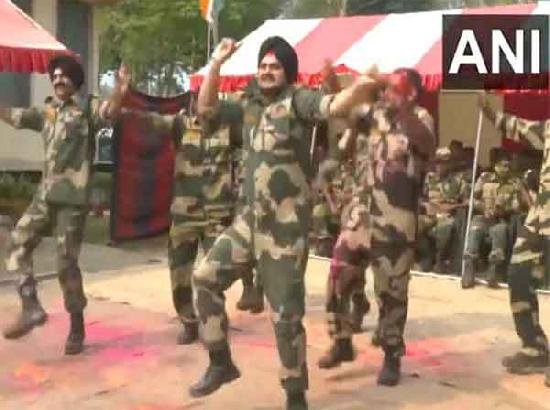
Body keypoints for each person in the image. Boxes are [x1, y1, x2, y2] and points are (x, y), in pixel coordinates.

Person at [189, 36, 378, 410]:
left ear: (287, 71)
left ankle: (295, 395)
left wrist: (359, 89)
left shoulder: (297, 99)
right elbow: (206, 107)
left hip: (284, 232)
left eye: (274, 66)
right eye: (263, 65)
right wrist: (215, 63)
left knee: (286, 318)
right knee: (204, 278)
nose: (266, 71)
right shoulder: (248, 104)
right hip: (248, 225)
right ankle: (221, 362)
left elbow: (333, 106)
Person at [0, 55, 125, 355]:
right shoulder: (48, 112)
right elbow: (15, 116)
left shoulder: (87, 108)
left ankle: (77, 325)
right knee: (16, 244)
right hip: (45, 196)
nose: (57, 80)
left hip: (73, 201)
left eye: (63, 76)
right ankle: (30, 305)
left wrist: (120, 87)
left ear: (76, 80)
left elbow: (111, 111)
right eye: (54, 76)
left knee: (65, 264)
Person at [318, 68, 435, 386]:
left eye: (395, 88)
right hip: (361, 214)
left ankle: (391, 356)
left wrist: (402, 107)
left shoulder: (420, 118)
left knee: (391, 293)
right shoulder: (376, 114)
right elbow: (342, 113)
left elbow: (425, 142)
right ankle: (342, 342)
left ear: (411, 93)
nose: (388, 93)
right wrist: (351, 86)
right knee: (338, 275)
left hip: (396, 220)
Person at [479, 94, 549, 387]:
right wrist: (493, 115)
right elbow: (522, 127)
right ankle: (534, 347)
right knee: (518, 273)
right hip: (541, 219)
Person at [462, 153, 528, 288]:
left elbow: (517, 207)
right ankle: (469, 271)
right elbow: (470, 198)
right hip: (482, 217)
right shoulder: (485, 178)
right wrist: (482, 208)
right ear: (495, 166)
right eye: (503, 165)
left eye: (508, 166)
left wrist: (502, 211)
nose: (506, 169)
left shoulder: (514, 183)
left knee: (500, 232)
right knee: (475, 231)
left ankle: (493, 272)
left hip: (500, 219)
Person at [418, 147, 470, 273]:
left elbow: (467, 202)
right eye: (438, 162)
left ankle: (439, 260)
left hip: (448, 215)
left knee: (445, 227)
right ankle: (426, 257)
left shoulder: (458, 180)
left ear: (450, 164)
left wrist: (451, 207)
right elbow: (421, 197)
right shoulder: (429, 178)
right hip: (429, 214)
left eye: (444, 163)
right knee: (414, 224)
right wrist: (425, 205)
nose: (440, 166)